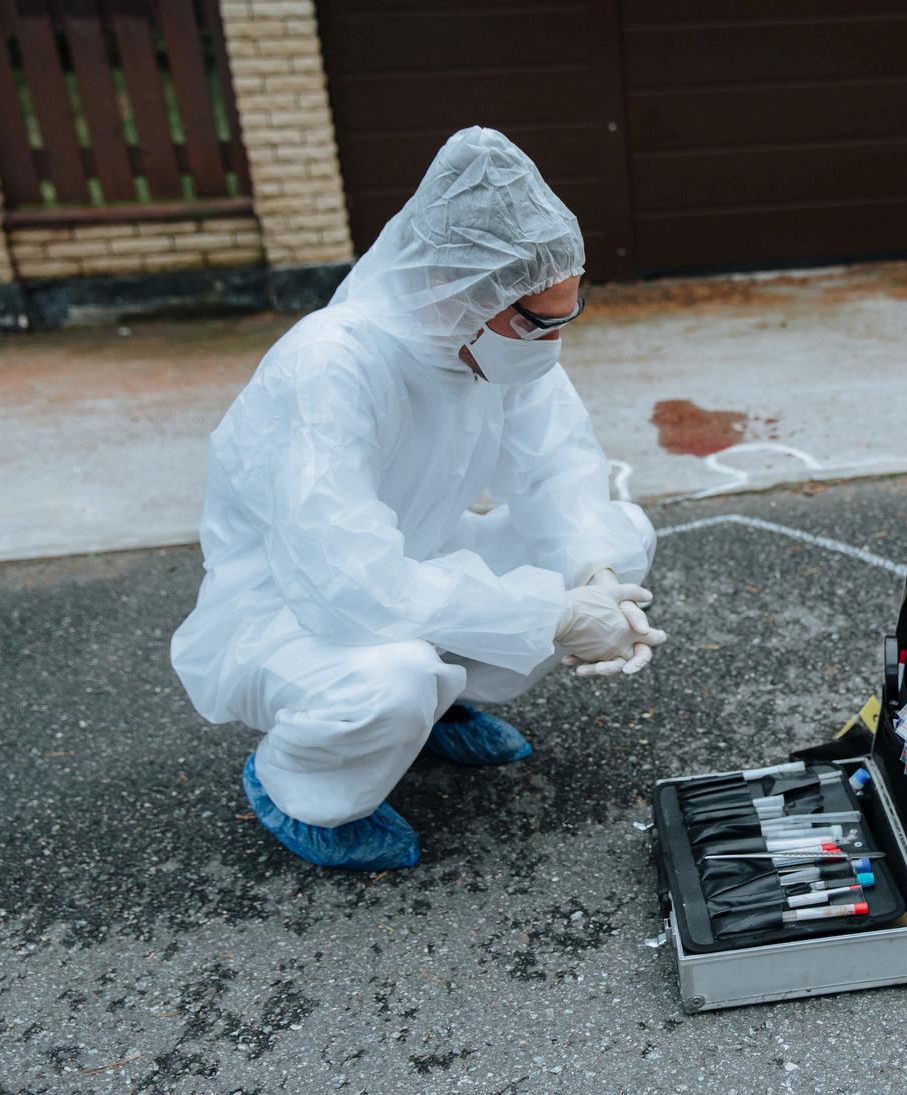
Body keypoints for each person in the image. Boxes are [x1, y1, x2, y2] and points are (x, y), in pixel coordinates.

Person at [171, 128, 662, 871]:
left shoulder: (500, 349)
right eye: (538, 320)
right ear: (461, 289)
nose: (551, 341)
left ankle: (440, 704)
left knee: (620, 534)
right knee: (392, 680)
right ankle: (297, 781)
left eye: (569, 313)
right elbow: (351, 583)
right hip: (292, 606)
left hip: (416, 560)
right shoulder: (330, 365)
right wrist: (554, 616)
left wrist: (594, 576)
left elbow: (559, 470)